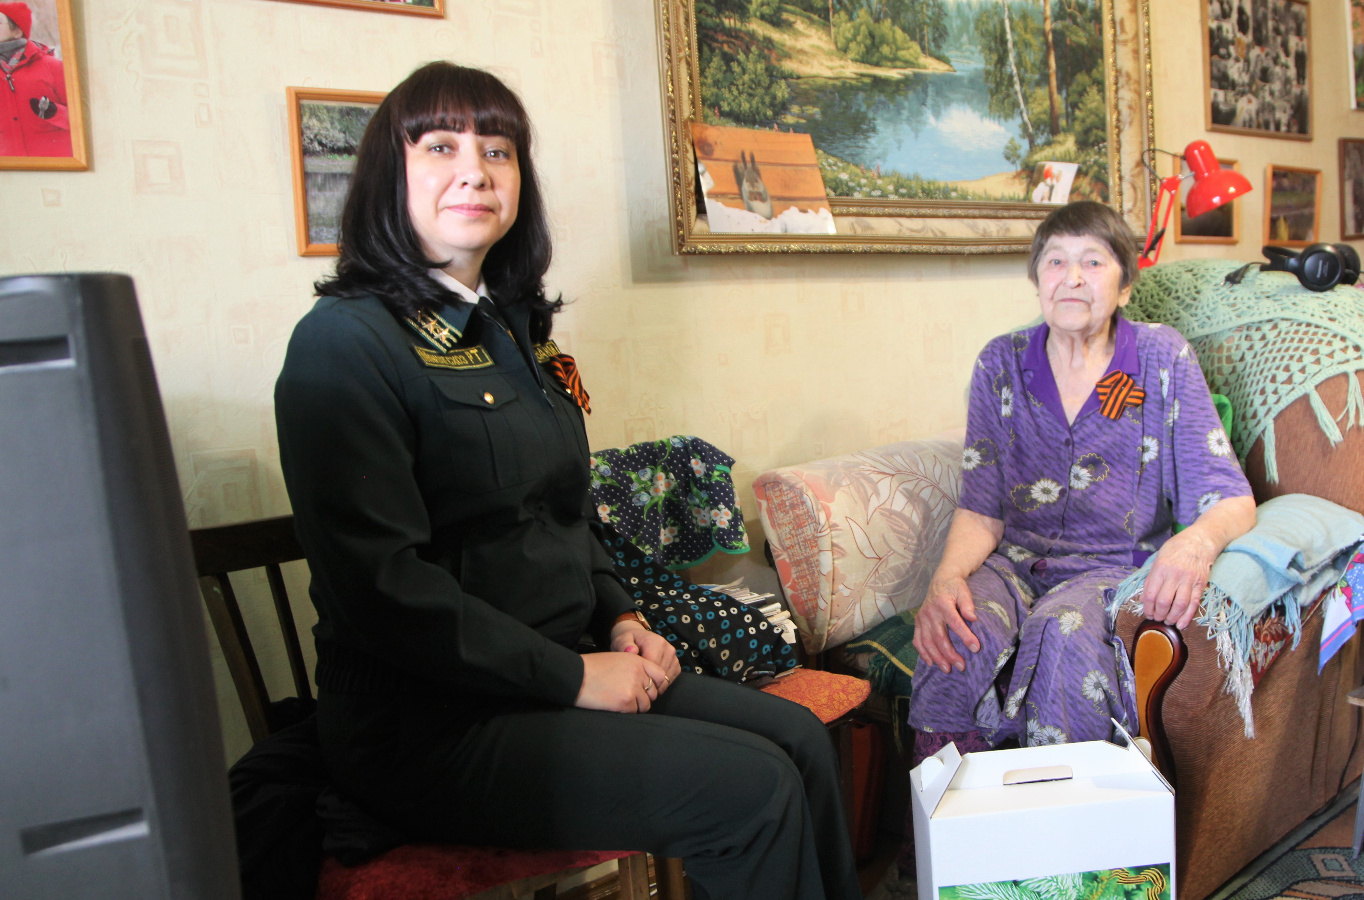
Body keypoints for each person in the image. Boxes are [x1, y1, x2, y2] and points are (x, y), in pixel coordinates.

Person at [274, 61, 860, 900]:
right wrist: (574, 678)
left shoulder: (517, 332)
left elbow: (567, 513)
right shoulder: (345, 343)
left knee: (798, 741)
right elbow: (381, 592)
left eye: (498, 150)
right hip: (431, 722)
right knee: (753, 789)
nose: (476, 170)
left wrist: (621, 617)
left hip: (555, 671)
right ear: (385, 175)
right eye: (440, 147)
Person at [909, 201, 1257, 758]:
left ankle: (1067, 809)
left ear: (1125, 287)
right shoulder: (1000, 364)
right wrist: (946, 577)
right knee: (956, 628)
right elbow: (981, 509)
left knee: (1063, 631)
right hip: (1015, 563)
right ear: (1037, 280)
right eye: (1055, 261)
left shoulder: (1160, 359)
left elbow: (1232, 498)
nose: (1072, 277)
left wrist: (1195, 543)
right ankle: (950, 805)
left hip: (1111, 569)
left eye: (1093, 262)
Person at [0, 2, 71, 158]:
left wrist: (54, 112)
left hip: (54, 163)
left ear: (17, 31)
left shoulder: (53, 67)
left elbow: (85, 119)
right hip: (9, 166)